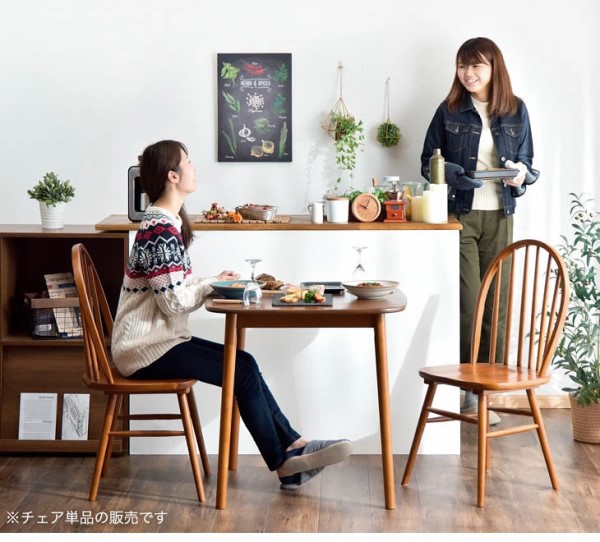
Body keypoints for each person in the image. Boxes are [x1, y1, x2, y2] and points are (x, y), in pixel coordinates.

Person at [111, 139, 353, 489]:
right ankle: (285, 462)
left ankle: (293, 447)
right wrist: (211, 285)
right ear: (172, 176)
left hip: (160, 341)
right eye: (188, 162)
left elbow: (174, 287)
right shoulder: (159, 230)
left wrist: (211, 281)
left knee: (245, 363)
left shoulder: (165, 224)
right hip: (143, 348)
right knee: (240, 370)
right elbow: (174, 302)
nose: (194, 168)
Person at [420, 37, 540, 424]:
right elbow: (428, 163)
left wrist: (520, 175)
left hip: (501, 216)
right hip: (462, 216)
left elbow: (527, 164)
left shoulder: (516, 110)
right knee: (469, 305)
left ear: (493, 67)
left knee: (497, 308)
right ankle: (465, 390)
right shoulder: (449, 110)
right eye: (462, 66)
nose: (468, 73)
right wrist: (453, 174)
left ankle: (486, 392)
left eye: (476, 66)